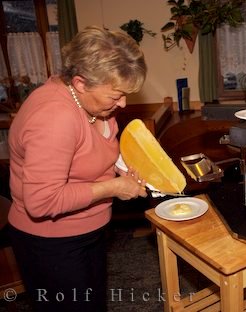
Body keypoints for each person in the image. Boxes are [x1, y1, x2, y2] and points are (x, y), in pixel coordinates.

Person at [7, 26, 148, 311]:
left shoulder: (91, 103)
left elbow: (93, 149)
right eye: (116, 95)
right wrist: (113, 188)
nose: (122, 103)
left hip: (87, 231)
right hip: (52, 243)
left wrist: (120, 168)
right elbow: (41, 201)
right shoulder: (54, 118)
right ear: (81, 83)